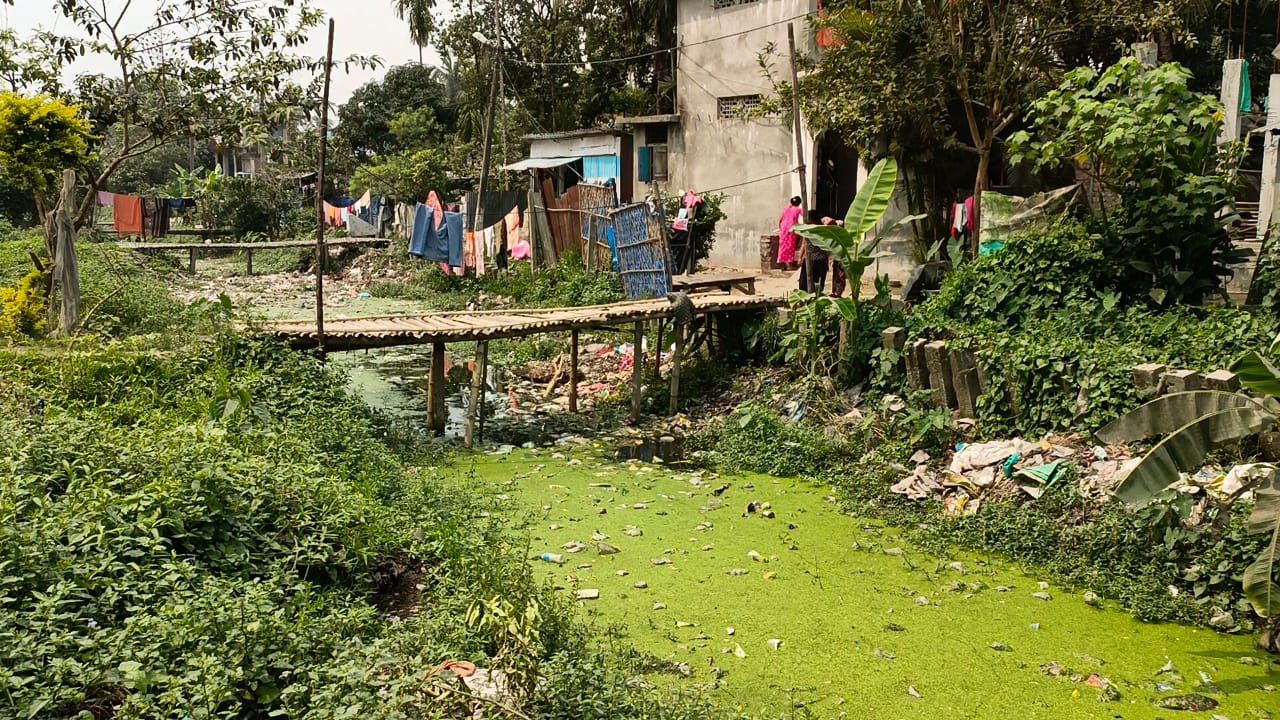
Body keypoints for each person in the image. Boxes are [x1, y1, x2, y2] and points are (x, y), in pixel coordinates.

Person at [797, 210, 829, 294]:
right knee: (817, 282)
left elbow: (803, 244)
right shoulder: (821, 229)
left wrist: (800, 258)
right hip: (819, 260)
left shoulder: (810, 229)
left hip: (811, 259)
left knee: (805, 283)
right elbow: (825, 248)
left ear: (811, 219)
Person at [777, 196, 803, 270]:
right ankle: (789, 265)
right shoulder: (798, 209)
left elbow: (780, 219)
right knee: (790, 246)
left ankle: (782, 264)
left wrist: (780, 228)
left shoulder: (786, 208)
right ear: (799, 203)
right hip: (791, 228)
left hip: (783, 228)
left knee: (782, 246)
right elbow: (805, 216)